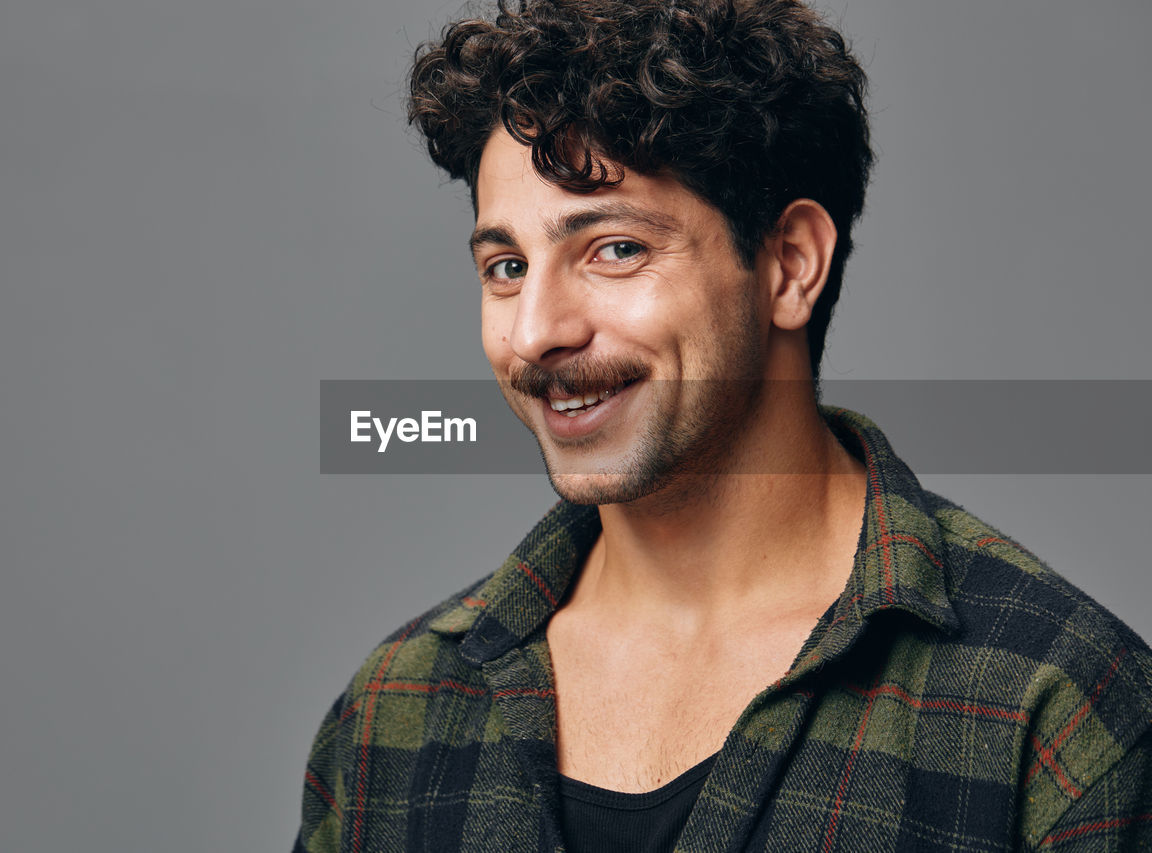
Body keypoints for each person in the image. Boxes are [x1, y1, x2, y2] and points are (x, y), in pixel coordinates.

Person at [296, 0, 1152, 849]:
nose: (535, 331)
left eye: (615, 248)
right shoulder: (393, 714)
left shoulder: (1059, 707)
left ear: (788, 266)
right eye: (508, 267)